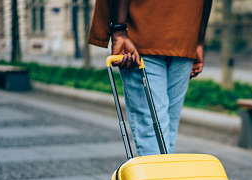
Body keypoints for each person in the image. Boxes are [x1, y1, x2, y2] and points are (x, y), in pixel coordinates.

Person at [88, 0, 213, 156]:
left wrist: (119, 30)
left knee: (153, 133)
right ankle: (163, 179)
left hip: (142, 29)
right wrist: (199, 40)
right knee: (165, 130)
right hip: (186, 29)